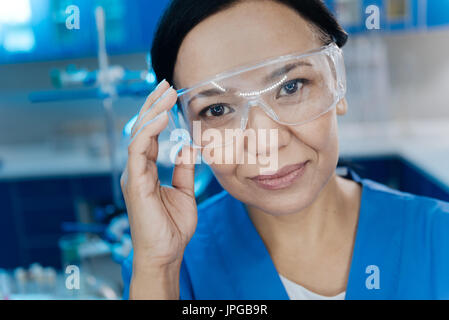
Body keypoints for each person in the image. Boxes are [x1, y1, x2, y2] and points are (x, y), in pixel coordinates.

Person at [120, 0, 449, 300]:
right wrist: (158, 268)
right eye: (217, 109)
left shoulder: (439, 240)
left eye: (291, 87)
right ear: (187, 130)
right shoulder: (168, 265)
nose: (267, 142)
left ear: (337, 82)